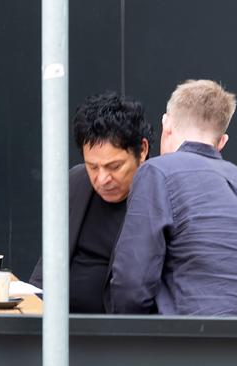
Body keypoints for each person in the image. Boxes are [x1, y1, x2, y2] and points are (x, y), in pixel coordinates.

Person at [110, 79, 237, 315]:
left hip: (187, 342)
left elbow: (132, 285)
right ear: (221, 142)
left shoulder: (157, 171)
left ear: (166, 125)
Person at [28, 92, 151, 313]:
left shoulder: (157, 197)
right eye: (92, 166)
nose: (102, 179)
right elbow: (45, 271)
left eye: (114, 167)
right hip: (58, 326)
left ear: (142, 151)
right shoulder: (76, 182)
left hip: (118, 334)